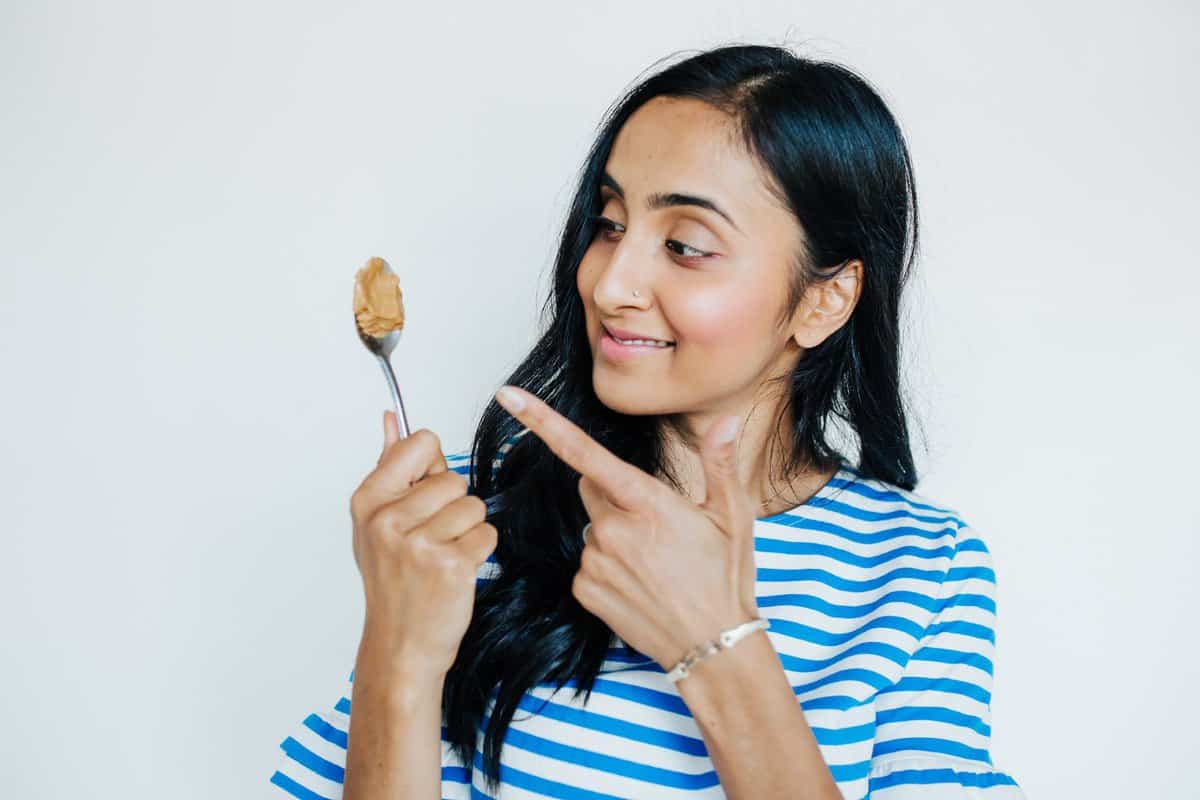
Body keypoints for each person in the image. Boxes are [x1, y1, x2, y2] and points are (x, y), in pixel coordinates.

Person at [269, 43, 1026, 799]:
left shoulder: (922, 569)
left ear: (823, 299)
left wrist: (716, 643)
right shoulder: (465, 522)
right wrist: (398, 659)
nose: (610, 283)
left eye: (686, 246)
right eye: (607, 223)